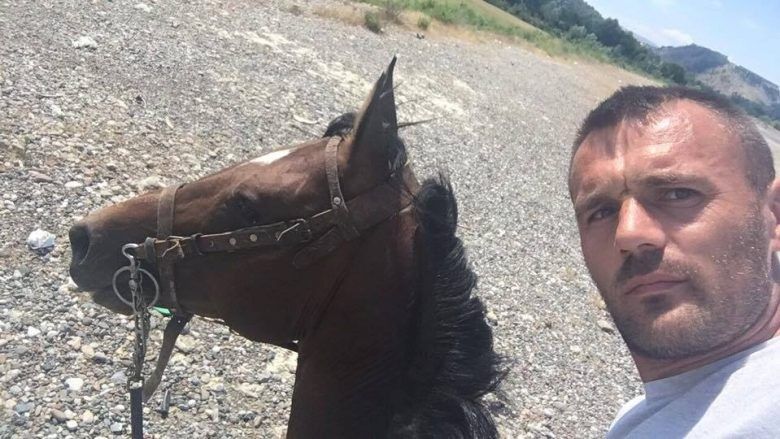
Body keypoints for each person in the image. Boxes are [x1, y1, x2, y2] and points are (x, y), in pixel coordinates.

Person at [568, 86, 780, 438]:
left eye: (678, 194)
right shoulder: (652, 412)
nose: (629, 233)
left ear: (773, 214)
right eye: (601, 212)